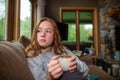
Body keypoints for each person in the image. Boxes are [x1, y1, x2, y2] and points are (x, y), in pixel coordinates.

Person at [25, 17, 89, 80]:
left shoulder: (62, 50)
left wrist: (76, 65)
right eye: (39, 31)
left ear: (54, 36)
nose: (42, 34)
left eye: (48, 31)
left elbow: (86, 70)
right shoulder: (32, 57)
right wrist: (50, 77)